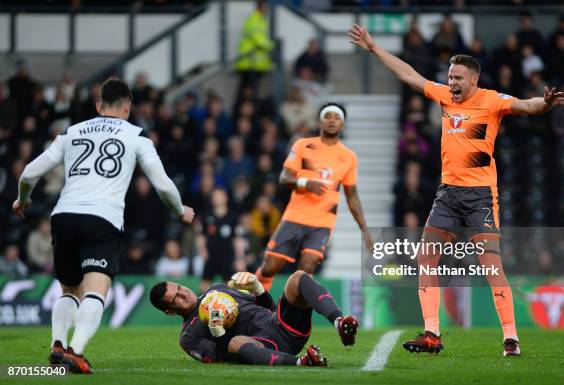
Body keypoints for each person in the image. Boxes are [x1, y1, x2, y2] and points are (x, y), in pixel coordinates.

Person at [348, 24, 564, 357]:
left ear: (474, 80)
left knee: (491, 266)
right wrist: (374, 49)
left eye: (458, 78)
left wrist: (547, 103)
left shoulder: (492, 101)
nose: (451, 83)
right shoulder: (443, 98)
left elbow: (529, 105)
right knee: (426, 258)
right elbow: (410, 76)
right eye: (450, 77)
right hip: (448, 195)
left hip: (479, 196)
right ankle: (432, 333)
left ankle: (511, 337)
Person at [12, 78, 195, 374]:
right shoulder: (137, 137)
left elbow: (29, 173)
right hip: (102, 218)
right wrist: (181, 209)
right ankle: (77, 352)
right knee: (96, 292)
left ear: (98, 105)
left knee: (69, 291)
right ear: (127, 108)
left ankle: (57, 345)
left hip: (64, 215)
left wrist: (22, 200)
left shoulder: (71, 132)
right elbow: (162, 185)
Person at [255, 102, 373, 291]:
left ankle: (294, 317)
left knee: (306, 271)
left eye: (337, 117)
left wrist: (364, 229)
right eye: (328, 116)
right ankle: (255, 303)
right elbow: (284, 177)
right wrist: (305, 183)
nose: (332, 121)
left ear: (342, 124)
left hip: (322, 223)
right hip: (295, 216)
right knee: (270, 268)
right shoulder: (303, 145)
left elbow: (351, 195)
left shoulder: (348, 157)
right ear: (320, 121)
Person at [149, 270, 359, 366]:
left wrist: (258, 289)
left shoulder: (217, 289)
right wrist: (217, 331)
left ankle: (339, 322)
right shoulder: (188, 338)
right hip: (265, 346)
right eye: (175, 298)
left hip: (281, 325)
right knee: (235, 342)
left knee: (298, 278)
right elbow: (224, 357)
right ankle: (302, 362)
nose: (183, 293)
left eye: (179, 287)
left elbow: (267, 307)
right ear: (170, 311)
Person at [235, 0, 274, 95]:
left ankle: (246, 108)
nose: (267, 8)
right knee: (246, 89)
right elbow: (256, 37)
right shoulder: (254, 18)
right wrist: (270, 45)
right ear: (259, 6)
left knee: (250, 89)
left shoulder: (260, 19)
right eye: (265, 6)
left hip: (255, 63)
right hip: (248, 61)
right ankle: (240, 108)